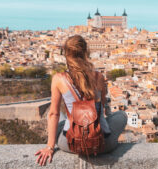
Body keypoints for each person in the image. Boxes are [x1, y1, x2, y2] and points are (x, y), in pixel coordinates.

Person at [35, 35, 127, 166]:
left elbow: (53, 114)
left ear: (66, 54)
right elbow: (102, 109)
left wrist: (50, 147)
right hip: (103, 145)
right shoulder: (98, 77)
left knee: (55, 114)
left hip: (70, 144)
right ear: (86, 52)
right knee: (121, 115)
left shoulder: (59, 79)